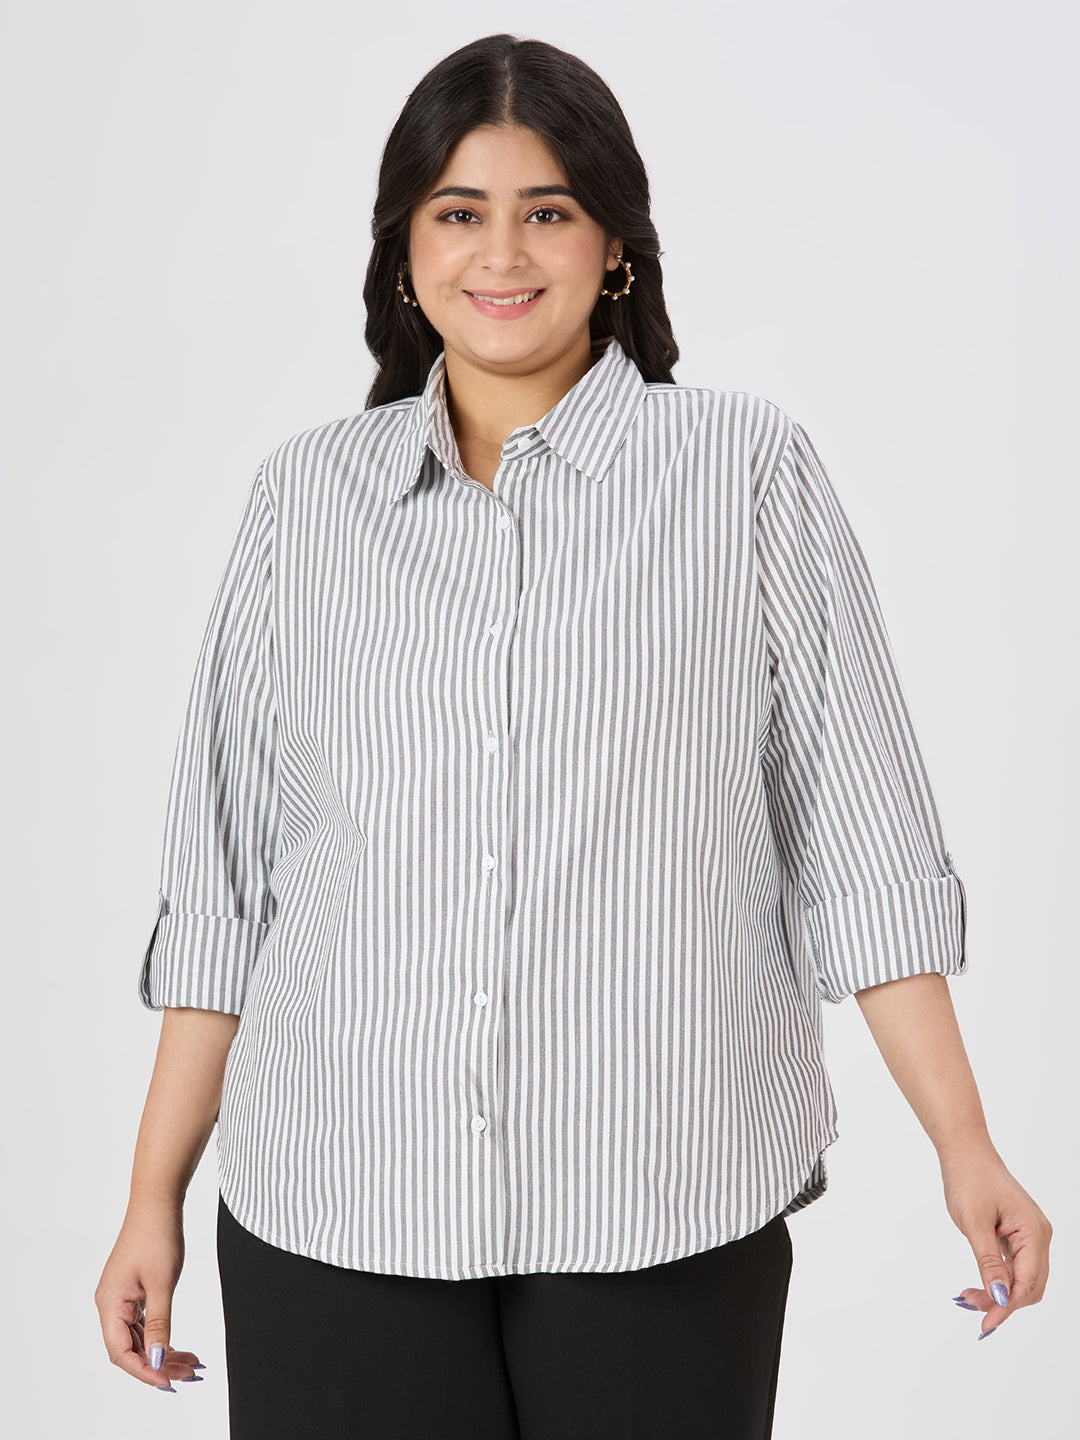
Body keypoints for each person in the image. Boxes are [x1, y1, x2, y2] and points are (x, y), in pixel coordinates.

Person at [95, 31, 1052, 1440]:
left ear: (614, 245)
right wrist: (151, 1198)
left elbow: (864, 848)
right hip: (337, 1201)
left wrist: (965, 1148)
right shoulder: (304, 502)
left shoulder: (744, 475)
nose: (502, 252)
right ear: (405, 247)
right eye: (458, 212)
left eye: (546, 210)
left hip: (663, 1201)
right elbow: (226, 886)